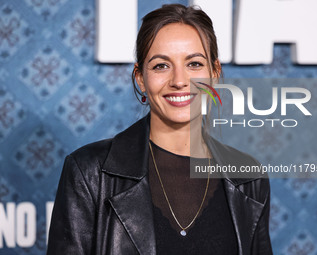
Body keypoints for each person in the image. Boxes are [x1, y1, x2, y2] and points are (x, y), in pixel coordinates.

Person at [47, 4, 272, 255]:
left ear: (215, 74)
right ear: (141, 78)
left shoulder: (248, 177)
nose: (179, 81)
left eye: (195, 64)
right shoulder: (89, 172)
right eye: (161, 66)